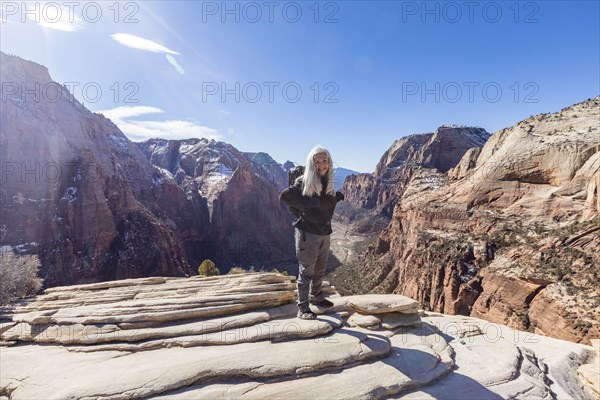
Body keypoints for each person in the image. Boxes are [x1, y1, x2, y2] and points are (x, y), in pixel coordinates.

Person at [279, 145, 344, 320]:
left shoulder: (326, 181)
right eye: (317, 162)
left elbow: (323, 203)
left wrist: (335, 198)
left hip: (324, 233)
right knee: (307, 271)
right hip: (308, 234)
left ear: (329, 162)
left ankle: (317, 297)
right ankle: (303, 308)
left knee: (320, 269)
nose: (322, 165)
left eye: (325, 161)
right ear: (311, 163)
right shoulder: (304, 181)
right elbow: (285, 196)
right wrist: (310, 205)